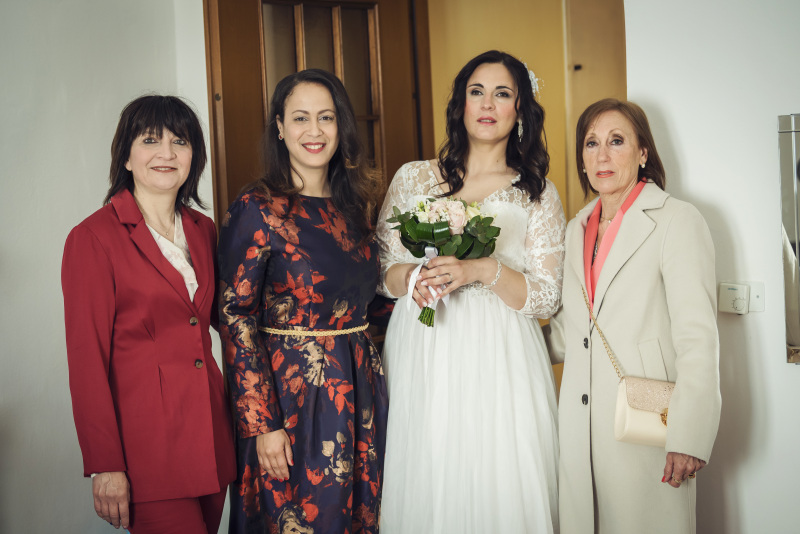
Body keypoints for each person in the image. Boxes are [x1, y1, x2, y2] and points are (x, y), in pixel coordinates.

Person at [376, 50, 566, 533]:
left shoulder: (536, 193)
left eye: (502, 94)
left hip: (500, 352)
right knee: (429, 464)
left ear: (520, 109)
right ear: (460, 103)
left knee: (497, 472)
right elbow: (381, 270)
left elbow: (547, 296)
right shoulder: (413, 177)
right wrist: (414, 277)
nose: (487, 104)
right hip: (424, 343)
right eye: (476, 91)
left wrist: (484, 269)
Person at [218, 69, 388, 533]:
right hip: (292, 399)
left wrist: (425, 291)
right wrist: (261, 424)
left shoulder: (356, 207)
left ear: (341, 126)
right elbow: (234, 316)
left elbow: (364, 304)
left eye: (326, 117)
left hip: (359, 391)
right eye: (300, 118)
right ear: (279, 126)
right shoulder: (256, 208)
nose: (315, 131)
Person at [545, 98, 721, 534]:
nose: (602, 155)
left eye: (616, 141)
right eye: (591, 143)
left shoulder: (677, 220)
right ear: (582, 159)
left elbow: (698, 339)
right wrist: (501, 335)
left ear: (643, 153)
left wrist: (689, 436)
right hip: (579, 432)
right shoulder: (574, 230)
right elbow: (568, 334)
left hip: (649, 429)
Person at [61, 95, 236, 532]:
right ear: (126, 155)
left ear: (194, 156)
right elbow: (86, 361)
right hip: (147, 452)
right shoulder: (92, 238)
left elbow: (230, 318)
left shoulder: (202, 229)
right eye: (151, 140)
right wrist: (105, 464)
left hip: (212, 438)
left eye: (180, 141)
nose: (167, 153)